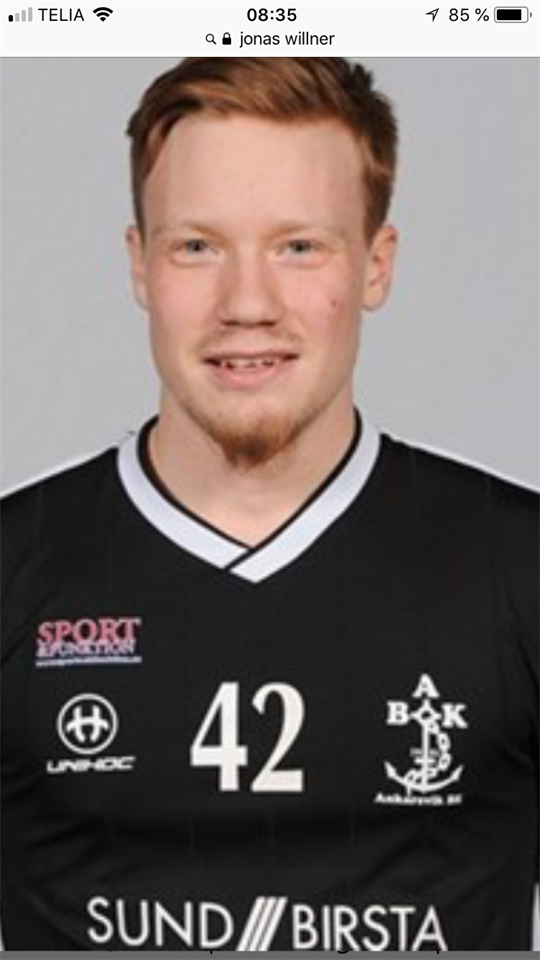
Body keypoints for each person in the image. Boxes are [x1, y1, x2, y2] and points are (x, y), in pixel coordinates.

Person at [0, 57, 538, 952]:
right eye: (197, 247)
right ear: (140, 266)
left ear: (375, 265)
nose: (246, 304)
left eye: (298, 246)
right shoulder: (17, 568)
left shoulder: (518, 568)